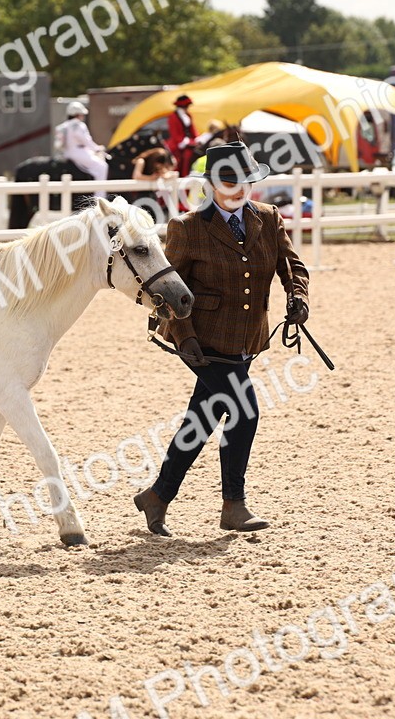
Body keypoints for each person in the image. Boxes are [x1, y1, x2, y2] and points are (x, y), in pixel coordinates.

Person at [133, 141, 310, 536]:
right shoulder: (187, 227)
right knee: (245, 412)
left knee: (204, 417)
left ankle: (157, 495)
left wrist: (298, 297)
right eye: (229, 181)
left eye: (245, 181)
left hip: (247, 337)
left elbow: (291, 264)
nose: (239, 189)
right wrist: (184, 336)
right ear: (210, 183)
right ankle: (234, 505)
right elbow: (167, 291)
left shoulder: (267, 217)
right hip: (202, 339)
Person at [54, 101, 108, 182]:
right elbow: (86, 140)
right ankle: (100, 193)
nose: (83, 116)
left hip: (66, 153)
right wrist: (97, 148)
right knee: (102, 166)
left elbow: (58, 144)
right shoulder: (79, 125)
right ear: (77, 114)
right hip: (78, 153)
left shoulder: (62, 127)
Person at [166, 94, 199, 176]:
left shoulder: (188, 115)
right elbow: (175, 134)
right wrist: (186, 141)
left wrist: (196, 139)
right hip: (177, 143)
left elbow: (193, 130)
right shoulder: (172, 117)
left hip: (188, 141)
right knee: (182, 157)